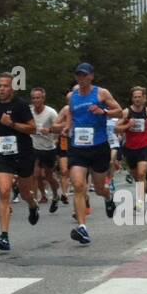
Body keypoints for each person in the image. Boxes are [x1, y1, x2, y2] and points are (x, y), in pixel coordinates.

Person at [54, 63, 121, 245]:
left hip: (99, 146)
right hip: (78, 146)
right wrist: (67, 127)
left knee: (99, 188)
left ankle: (108, 197)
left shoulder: (101, 93)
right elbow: (71, 117)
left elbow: (120, 111)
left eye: (84, 75)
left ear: (91, 76)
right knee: (78, 185)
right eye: (78, 75)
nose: (81, 78)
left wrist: (103, 111)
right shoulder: (72, 96)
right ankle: (82, 227)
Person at [0, 73, 37, 251]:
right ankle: (4, 236)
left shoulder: (21, 105)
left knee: (25, 193)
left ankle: (33, 205)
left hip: (24, 154)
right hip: (4, 155)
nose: (1, 89)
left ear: (12, 88)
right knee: (4, 191)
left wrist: (12, 124)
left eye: (5, 86)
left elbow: (33, 128)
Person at [116, 87, 147, 206]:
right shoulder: (126, 112)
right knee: (137, 176)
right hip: (129, 147)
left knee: (141, 174)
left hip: (144, 146)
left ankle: (140, 201)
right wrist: (127, 125)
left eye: (139, 97)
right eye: (135, 97)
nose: (137, 99)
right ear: (132, 99)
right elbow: (116, 128)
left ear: (144, 98)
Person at [29, 86, 61, 213]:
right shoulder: (29, 111)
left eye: (38, 98)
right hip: (33, 146)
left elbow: (59, 127)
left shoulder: (51, 112)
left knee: (48, 176)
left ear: (43, 98)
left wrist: (51, 132)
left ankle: (55, 195)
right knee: (35, 175)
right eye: (33, 98)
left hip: (48, 148)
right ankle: (39, 197)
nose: (36, 100)